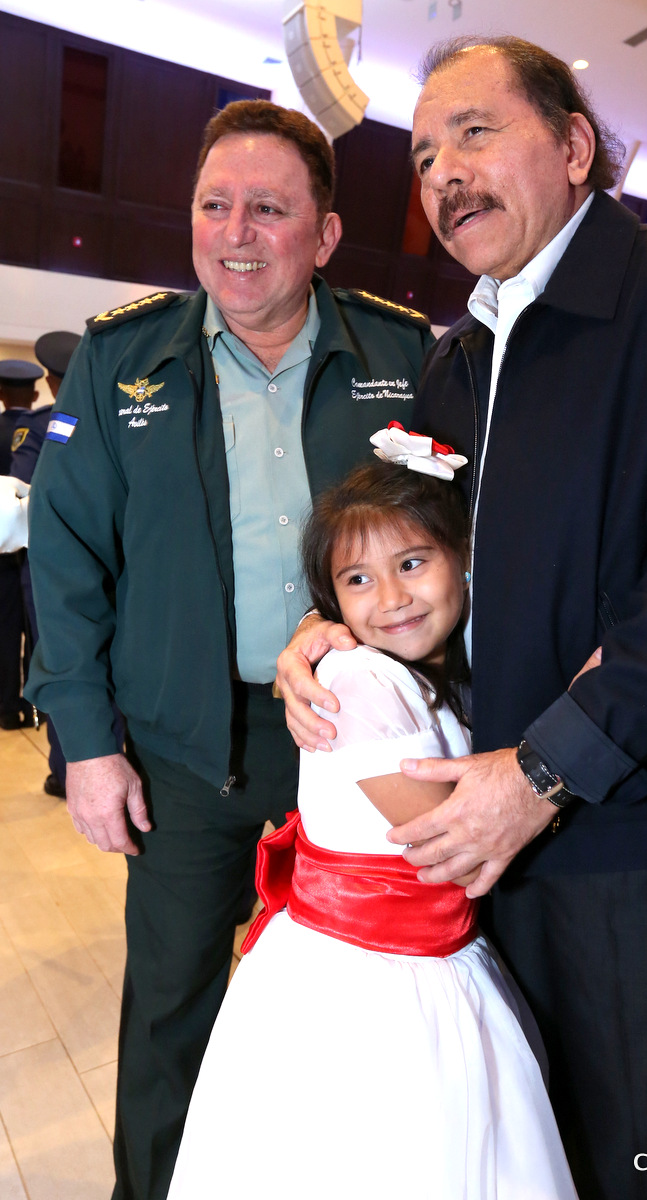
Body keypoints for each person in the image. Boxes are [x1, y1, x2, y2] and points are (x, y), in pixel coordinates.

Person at [278, 35, 647, 1200]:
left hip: (644, 834)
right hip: (493, 826)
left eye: (473, 132)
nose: (443, 174)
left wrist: (543, 774)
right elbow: (392, 537)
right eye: (424, 157)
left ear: (573, 147)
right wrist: (329, 623)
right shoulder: (454, 363)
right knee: (530, 1144)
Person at [24, 99, 433, 1200]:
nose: (236, 233)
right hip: (181, 743)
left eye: (268, 209)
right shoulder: (123, 359)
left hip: (355, 743)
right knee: (171, 1008)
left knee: (356, 1000)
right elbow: (65, 558)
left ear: (325, 234)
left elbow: (456, 545)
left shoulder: (402, 356)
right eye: (215, 205)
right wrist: (87, 742)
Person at [167, 434, 577, 1200]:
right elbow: (450, 840)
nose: (390, 598)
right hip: (365, 986)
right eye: (357, 579)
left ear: (464, 558)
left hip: (435, 956)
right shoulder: (356, 683)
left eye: (412, 563)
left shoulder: (442, 673)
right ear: (329, 601)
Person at [9, 331, 83, 796]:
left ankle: (67, 770)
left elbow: (21, 496)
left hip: (51, 571)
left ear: (52, 382)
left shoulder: (40, 427)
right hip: (111, 568)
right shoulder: (114, 419)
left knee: (61, 667)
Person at [0, 358, 42, 730]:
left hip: (2, 552)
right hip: (38, 547)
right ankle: (36, 706)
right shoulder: (45, 426)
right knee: (39, 631)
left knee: (4, 632)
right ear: (34, 394)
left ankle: (6, 708)